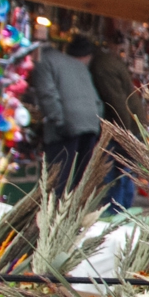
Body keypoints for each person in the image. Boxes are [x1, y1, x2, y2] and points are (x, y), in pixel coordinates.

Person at [30, 32, 104, 192]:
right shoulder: (76, 64)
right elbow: (97, 101)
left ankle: (54, 215)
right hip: (91, 123)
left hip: (68, 124)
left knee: (58, 182)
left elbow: (47, 95)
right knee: (79, 183)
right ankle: (74, 215)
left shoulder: (44, 61)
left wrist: (58, 122)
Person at [87, 34, 147, 210]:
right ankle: (120, 209)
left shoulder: (101, 67)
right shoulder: (108, 61)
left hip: (125, 125)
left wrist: (124, 133)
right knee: (124, 173)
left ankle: (115, 211)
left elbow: (116, 101)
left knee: (117, 174)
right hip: (132, 122)